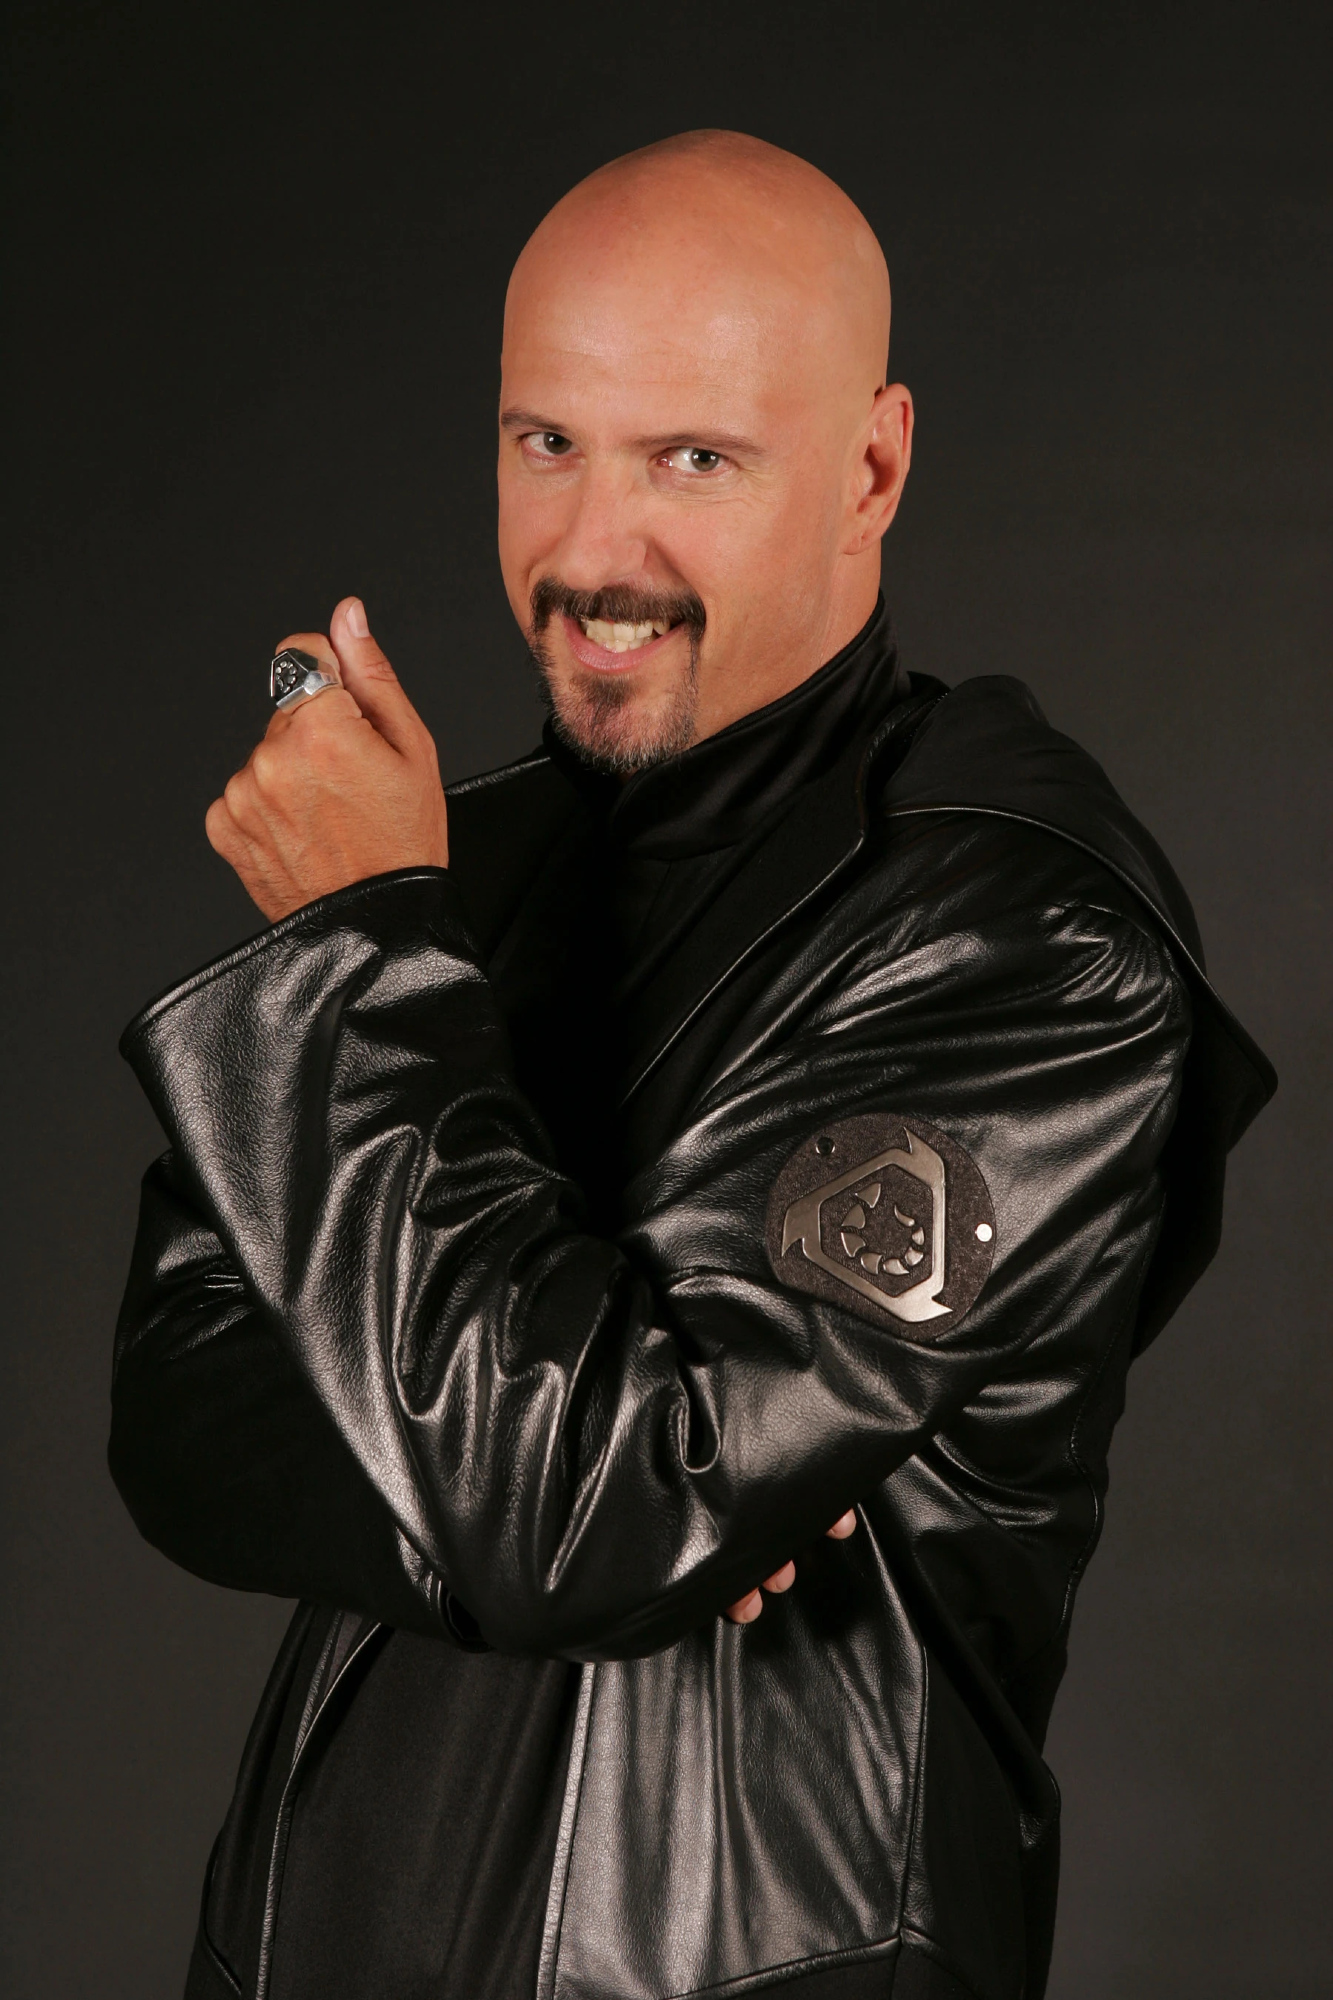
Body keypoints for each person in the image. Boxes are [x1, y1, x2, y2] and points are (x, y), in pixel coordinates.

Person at [109, 131, 1274, 2000]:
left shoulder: (1016, 941)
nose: (592, 552)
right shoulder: (458, 865)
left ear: (870, 468)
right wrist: (542, 1513)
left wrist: (354, 953)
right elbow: (179, 1410)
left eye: (692, 461)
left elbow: (593, 1506)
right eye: (545, 441)